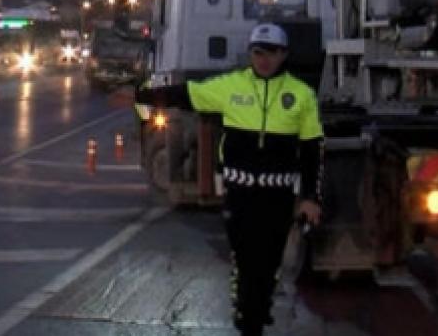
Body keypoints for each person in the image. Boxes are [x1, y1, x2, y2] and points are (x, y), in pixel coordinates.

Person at [117, 23, 323, 335]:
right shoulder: (231, 87)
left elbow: (310, 149)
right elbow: (184, 94)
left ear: (284, 55)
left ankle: (258, 307)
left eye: (272, 53)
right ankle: (247, 318)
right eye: (258, 52)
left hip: (278, 197)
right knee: (245, 260)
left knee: (268, 264)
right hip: (240, 194)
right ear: (250, 54)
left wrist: (310, 197)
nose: (265, 59)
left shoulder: (301, 95)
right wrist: (139, 95)